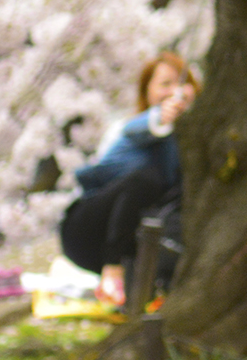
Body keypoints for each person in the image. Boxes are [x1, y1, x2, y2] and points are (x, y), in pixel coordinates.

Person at [60, 51, 199, 306]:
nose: (175, 92)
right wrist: (162, 117)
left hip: (134, 238)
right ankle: (113, 270)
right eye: (165, 84)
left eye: (182, 83)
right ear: (147, 91)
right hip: (88, 228)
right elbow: (148, 127)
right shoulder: (135, 127)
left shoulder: (191, 141)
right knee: (146, 179)